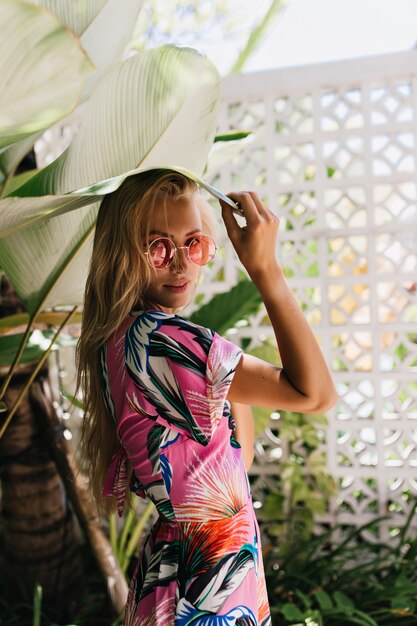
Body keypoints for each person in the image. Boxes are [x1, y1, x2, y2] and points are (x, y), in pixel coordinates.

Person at [77, 169, 338, 625]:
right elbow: (316, 395)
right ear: (122, 254)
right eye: (156, 246)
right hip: (201, 588)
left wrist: (222, 375)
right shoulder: (164, 342)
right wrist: (266, 270)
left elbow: (238, 461)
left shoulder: (119, 340)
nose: (180, 265)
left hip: (189, 575)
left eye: (193, 243)